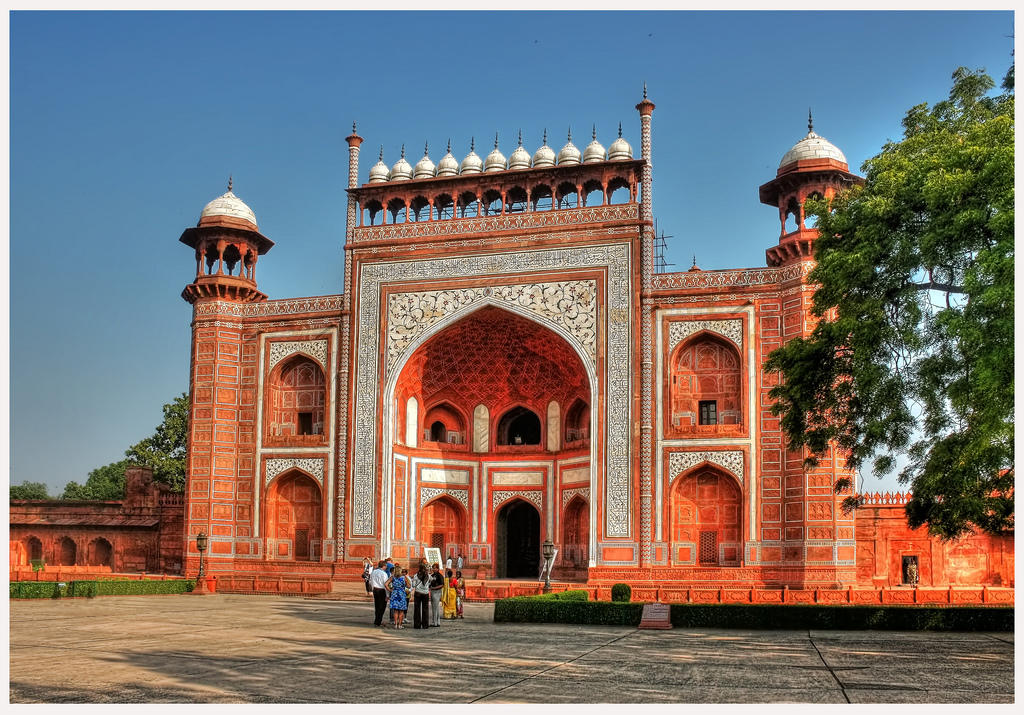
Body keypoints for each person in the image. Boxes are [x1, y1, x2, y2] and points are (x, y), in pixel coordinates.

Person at [385, 563, 409, 629]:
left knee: (395, 610)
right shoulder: (403, 578)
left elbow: (386, 584)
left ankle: (395, 624)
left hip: (394, 593)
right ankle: (400, 625)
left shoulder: (392, 577)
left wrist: (390, 590)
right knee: (401, 611)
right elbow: (409, 586)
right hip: (402, 594)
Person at [410, 563, 431, 629]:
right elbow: (431, 582)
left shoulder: (416, 575)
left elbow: (413, 585)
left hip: (418, 593)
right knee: (425, 609)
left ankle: (417, 625)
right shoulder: (428, 576)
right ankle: (425, 625)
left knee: (417, 609)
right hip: (425, 593)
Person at [369, 560, 389, 627]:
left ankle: (377, 620)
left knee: (377, 606)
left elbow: (370, 581)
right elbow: (386, 584)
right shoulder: (384, 574)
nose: (386, 567)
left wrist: (372, 589)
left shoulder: (374, 572)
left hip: (375, 589)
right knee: (382, 606)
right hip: (381, 590)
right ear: (384, 566)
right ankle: (378, 621)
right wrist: (387, 595)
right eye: (386, 566)